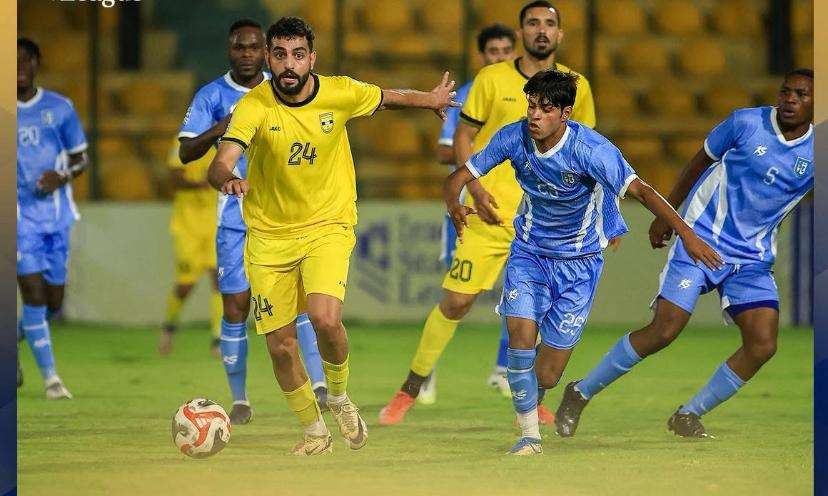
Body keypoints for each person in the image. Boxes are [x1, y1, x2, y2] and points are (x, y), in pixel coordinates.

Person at [208, 16, 459, 455]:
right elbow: (222, 158)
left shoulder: (339, 91)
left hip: (328, 224)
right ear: (269, 58)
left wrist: (430, 100)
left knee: (325, 319)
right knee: (281, 347)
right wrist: (225, 175)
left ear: (312, 59)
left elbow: (387, 97)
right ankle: (313, 431)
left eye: (298, 55)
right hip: (268, 236)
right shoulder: (255, 105)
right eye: (281, 55)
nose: (289, 65)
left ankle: (340, 397)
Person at [445, 69, 721, 454]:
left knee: (547, 373)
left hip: (579, 264)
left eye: (544, 108)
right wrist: (454, 201)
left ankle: (535, 399)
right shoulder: (512, 136)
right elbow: (459, 175)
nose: (534, 115)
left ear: (566, 113)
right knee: (520, 338)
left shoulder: (592, 150)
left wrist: (687, 234)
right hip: (529, 253)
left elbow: (640, 190)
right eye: (530, 105)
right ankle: (529, 436)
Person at [379, 0, 622, 426]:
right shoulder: (491, 79)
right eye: (533, 23)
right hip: (489, 213)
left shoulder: (576, 86)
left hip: (551, 225)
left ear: (560, 35)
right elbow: (464, 134)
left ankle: (535, 401)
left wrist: (607, 217)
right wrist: (474, 186)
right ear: (521, 31)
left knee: (550, 314)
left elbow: (592, 152)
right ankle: (409, 390)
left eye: (549, 24)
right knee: (456, 302)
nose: (541, 30)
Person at [554, 69, 814, 439]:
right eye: (786, 92)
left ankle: (688, 414)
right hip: (702, 240)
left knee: (762, 343)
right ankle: (580, 392)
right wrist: (669, 218)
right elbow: (698, 162)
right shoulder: (744, 123)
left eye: (801, 95)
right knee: (665, 329)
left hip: (752, 259)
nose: (790, 99)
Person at [175, 18, 329, 426]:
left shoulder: (284, 88)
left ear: (266, 51)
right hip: (234, 218)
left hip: (286, 216)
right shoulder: (211, 95)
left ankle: (318, 386)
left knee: (300, 304)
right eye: (238, 47)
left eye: (254, 47)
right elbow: (187, 153)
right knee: (236, 307)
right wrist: (221, 129)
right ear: (230, 50)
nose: (246, 53)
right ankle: (240, 399)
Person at [420, 23, 517, 405]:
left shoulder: (528, 94)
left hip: (517, 207)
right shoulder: (468, 94)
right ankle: (425, 373)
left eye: (506, 50)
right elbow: (446, 150)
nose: (500, 57)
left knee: (522, 291)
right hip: (471, 207)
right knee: (458, 298)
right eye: (493, 51)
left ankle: (503, 369)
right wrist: (489, 145)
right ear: (482, 56)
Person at [17, 37, 89, 399]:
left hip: (57, 217)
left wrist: (62, 176)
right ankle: (51, 380)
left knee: (53, 302)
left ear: (36, 63)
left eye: (24, 61)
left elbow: (81, 158)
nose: (18, 69)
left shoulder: (60, 108)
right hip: (16, 219)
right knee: (32, 293)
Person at [158, 139, 222, 358]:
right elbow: (174, 178)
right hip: (188, 227)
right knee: (185, 285)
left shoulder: (224, 141)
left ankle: (217, 340)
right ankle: (168, 327)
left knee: (219, 280)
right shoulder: (183, 142)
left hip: (215, 223)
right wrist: (201, 184)